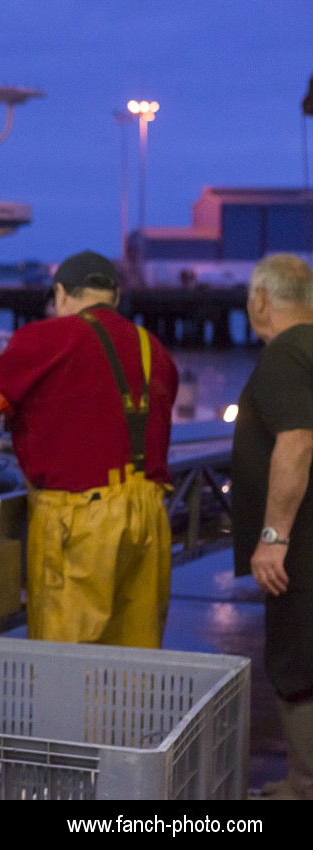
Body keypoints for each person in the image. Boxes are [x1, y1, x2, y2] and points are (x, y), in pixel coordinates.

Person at [0, 249, 178, 648]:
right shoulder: (154, 349)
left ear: (61, 293)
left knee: (66, 664)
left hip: (79, 520)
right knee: (137, 663)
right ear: (116, 296)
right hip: (150, 517)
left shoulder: (45, 338)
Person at [231, 252, 313, 800]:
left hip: (301, 553)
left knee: (294, 662)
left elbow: (298, 439)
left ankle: (303, 783)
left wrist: (272, 538)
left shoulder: (284, 354)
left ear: (260, 299)